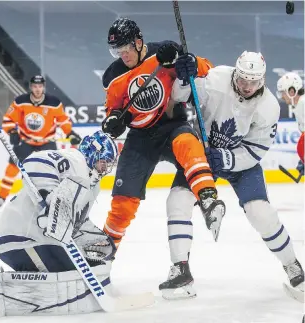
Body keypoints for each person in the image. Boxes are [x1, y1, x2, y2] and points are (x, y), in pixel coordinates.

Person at [101, 17, 226, 299]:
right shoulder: (113, 75)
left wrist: (189, 62)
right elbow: (111, 109)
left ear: (138, 41)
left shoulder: (165, 52)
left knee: (188, 143)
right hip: (140, 137)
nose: (123, 55)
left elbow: (205, 69)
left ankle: (208, 197)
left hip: (172, 123)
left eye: (125, 48)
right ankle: (102, 258)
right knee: (123, 199)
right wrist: (112, 121)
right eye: (117, 51)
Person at [171, 51, 304, 299]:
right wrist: (183, 78)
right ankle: (180, 269)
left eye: (253, 82)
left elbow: (256, 150)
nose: (246, 86)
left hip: (241, 162)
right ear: (235, 72)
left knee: (260, 212)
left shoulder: (269, 107)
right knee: (177, 200)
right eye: (243, 79)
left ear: (262, 80)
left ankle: (292, 265)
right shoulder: (216, 78)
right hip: (203, 156)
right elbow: (180, 97)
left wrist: (227, 159)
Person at [0, 131, 118, 318]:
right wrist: (48, 199)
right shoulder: (75, 160)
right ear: (92, 153)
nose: (106, 168)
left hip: (42, 240)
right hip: (24, 237)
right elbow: (36, 160)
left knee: (83, 270)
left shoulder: (91, 185)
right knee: (70, 278)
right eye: (104, 161)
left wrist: (95, 242)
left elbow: (76, 221)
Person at [0, 75, 81, 211]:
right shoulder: (21, 102)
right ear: (31, 87)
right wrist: (12, 132)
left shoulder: (54, 103)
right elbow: (8, 119)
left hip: (46, 141)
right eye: (35, 86)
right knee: (12, 168)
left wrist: (70, 133)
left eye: (40, 86)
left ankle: (59, 199)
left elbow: (63, 120)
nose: (37, 89)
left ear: (43, 87)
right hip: (26, 141)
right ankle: (1, 198)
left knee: (56, 170)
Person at [277, 72, 304, 175]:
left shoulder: (303, 103)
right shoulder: (300, 104)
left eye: (283, 92)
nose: (282, 97)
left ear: (291, 91)